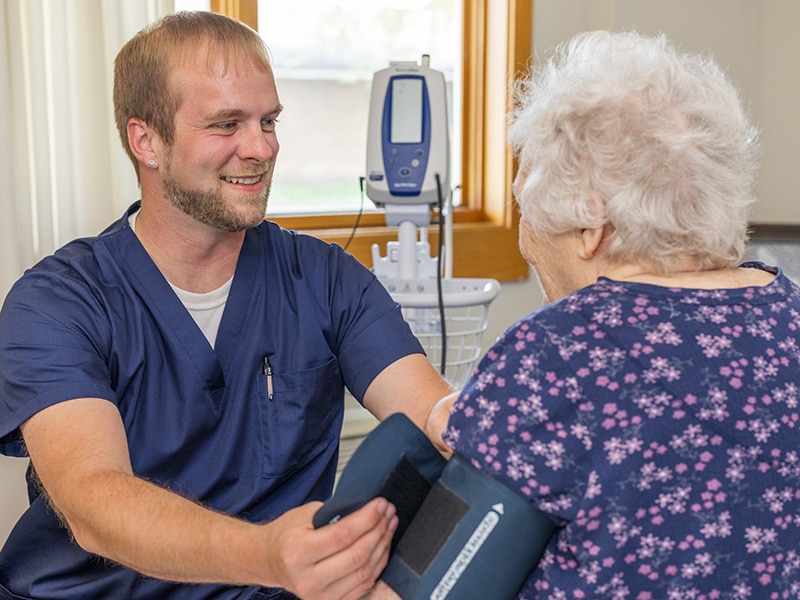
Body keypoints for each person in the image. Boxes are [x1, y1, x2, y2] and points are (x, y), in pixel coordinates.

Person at [0, 11, 453, 600]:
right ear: (147, 141)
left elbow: (432, 412)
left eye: (268, 120)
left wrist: (467, 422)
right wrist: (265, 555)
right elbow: (93, 500)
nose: (261, 147)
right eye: (226, 124)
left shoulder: (325, 279)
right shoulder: (58, 303)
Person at [372, 30, 800, 599]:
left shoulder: (560, 352)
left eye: (529, 206)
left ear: (591, 224)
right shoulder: (787, 311)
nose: (526, 237)